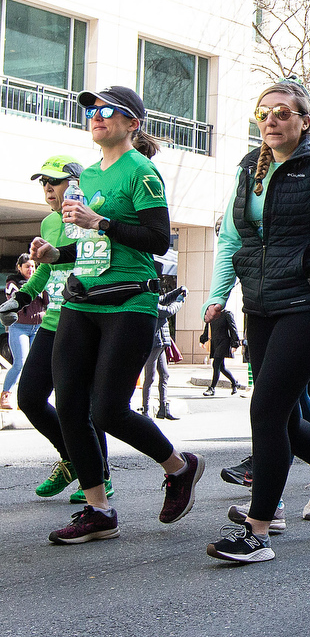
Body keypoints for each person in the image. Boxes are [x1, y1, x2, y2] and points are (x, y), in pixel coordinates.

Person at [202, 80, 310, 563]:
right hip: (260, 304)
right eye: (264, 113)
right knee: (283, 411)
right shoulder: (248, 172)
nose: (272, 120)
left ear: (305, 122)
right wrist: (217, 296)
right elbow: (230, 239)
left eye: (283, 112)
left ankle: (258, 531)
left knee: (267, 409)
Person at [29, 86, 204, 544]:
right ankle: (98, 510)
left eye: (108, 111)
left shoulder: (141, 172)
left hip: (129, 303)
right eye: (91, 111)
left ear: (133, 124)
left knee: (106, 409)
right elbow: (90, 243)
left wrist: (100, 221)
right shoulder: (87, 174)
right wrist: (56, 253)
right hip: (82, 301)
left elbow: (158, 238)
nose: (97, 117)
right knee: (69, 407)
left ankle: (178, 466)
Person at [0, 156, 114, 501]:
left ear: (76, 184)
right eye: (44, 182)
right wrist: (19, 299)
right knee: (31, 397)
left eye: (56, 181)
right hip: (53, 320)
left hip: (86, 317)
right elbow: (46, 272)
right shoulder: (49, 224)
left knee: (81, 405)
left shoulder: (89, 217)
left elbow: (100, 262)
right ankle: (73, 461)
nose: (49, 188)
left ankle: (100, 477)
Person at [1, 254, 45, 410]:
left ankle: (26, 398)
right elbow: (15, 297)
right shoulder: (12, 282)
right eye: (27, 266)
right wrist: (31, 290)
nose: (31, 270)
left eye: (33, 266)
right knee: (20, 362)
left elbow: (47, 300)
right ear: (19, 267)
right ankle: (6, 394)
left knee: (35, 364)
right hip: (19, 326)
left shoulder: (41, 280)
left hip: (39, 326)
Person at [140, 286, 187, 418]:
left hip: (159, 343)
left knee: (164, 375)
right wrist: (180, 300)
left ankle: (163, 409)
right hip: (153, 343)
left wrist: (179, 291)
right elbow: (167, 311)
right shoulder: (147, 301)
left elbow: (164, 299)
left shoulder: (152, 299)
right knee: (150, 377)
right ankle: (146, 410)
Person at [199, 307, 240, 397]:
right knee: (221, 367)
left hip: (224, 342)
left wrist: (235, 344)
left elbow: (233, 328)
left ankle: (212, 388)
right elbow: (208, 329)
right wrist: (203, 340)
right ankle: (234, 383)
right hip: (215, 342)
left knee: (216, 364)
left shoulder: (227, 314)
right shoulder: (212, 315)